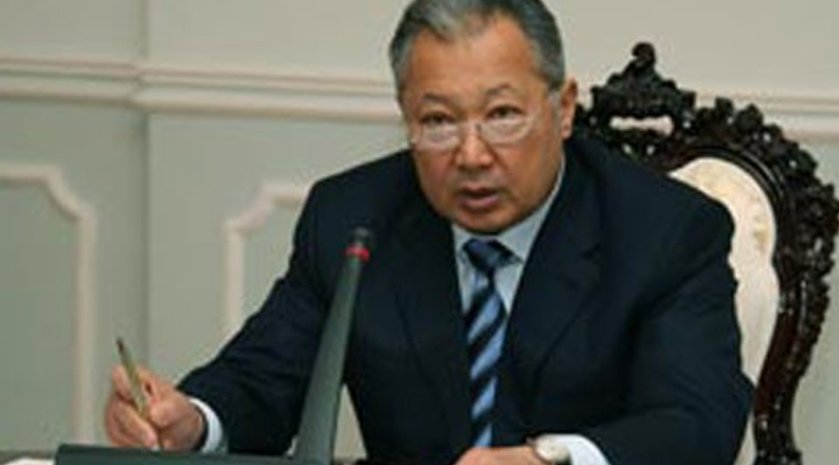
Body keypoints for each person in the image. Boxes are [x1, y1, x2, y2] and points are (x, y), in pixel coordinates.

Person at [104, 1, 752, 464]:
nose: (470, 154)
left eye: (502, 115)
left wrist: (551, 458)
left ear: (562, 108)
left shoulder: (665, 231)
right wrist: (191, 422)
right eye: (438, 121)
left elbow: (696, 423)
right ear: (406, 119)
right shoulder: (353, 217)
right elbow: (263, 380)